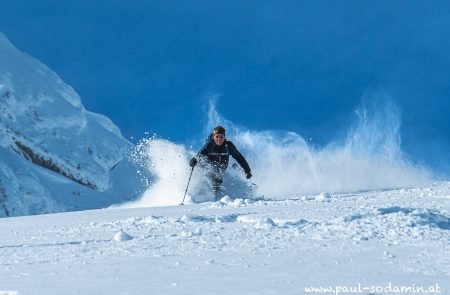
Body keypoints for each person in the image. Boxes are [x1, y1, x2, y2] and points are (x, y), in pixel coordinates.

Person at [189, 126, 252, 200]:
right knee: (212, 175)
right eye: (217, 137)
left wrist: (247, 170)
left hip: (221, 168)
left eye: (221, 137)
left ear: (224, 137)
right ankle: (205, 195)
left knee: (218, 178)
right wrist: (194, 160)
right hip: (209, 167)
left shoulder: (228, 146)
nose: (219, 139)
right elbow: (200, 154)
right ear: (213, 136)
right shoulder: (209, 145)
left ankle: (219, 197)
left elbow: (239, 158)